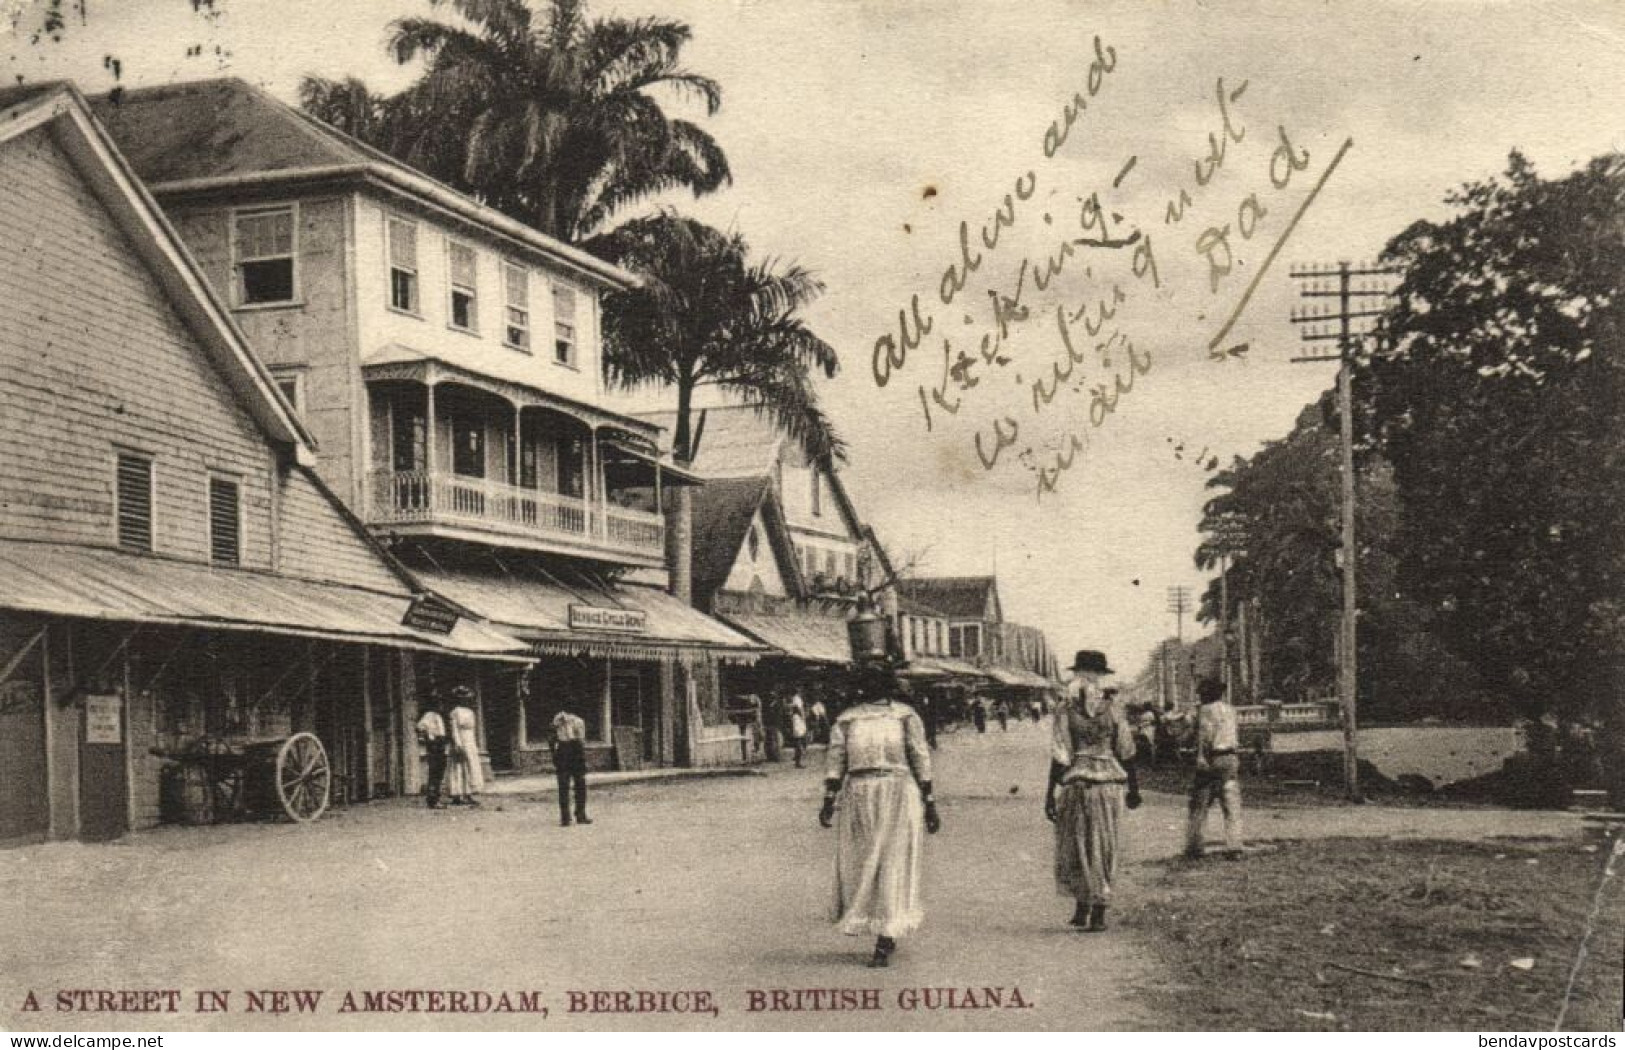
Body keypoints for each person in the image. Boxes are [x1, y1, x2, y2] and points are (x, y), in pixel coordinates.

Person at [819, 664, 941, 967]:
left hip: (899, 792)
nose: (871, 689)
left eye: (877, 683)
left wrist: (930, 801)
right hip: (859, 794)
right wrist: (828, 799)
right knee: (863, 863)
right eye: (866, 683)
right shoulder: (848, 720)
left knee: (893, 860)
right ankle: (879, 923)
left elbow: (920, 757)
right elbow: (836, 760)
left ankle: (886, 935)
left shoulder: (905, 716)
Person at [1045, 650, 1141, 931]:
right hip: (1108, 783)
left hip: (1077, 781)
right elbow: (1126, 751)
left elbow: (1060, 754)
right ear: (1100, 675)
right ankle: (1094, 908)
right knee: (1104, 845)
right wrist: (1133, 788)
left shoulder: (1065, 709)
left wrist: (1049, 792)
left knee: (1077, 843)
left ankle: (1085, 906)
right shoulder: (1112, 708)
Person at [1186, 677, 1243, 860]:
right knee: (1231, 801)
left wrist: (1200, 756)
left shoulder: (1204, 711)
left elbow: (1204, 736)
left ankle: (1195, 845)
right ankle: (1234, 845)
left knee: (1200, 802)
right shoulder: (1230, 710)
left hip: (1212, 757)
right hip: (1231, 757)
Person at [551, 704, 591, 826]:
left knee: (572, 785)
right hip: (570, 750)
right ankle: (573, 816)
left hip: (569, 750)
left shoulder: (565, 720)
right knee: (573, 785)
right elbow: (581, 740)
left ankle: (572, 816)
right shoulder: (558, 721)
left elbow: (552, 740)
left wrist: (555, 754)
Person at [444, 685, 483, 806]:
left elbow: (473, 729)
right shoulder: (455, 712)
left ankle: (469, 793)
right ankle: (457, 794)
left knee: (470, 767)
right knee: (458, 767)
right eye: (462, 698)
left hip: (469, 740)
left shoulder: (470, 712)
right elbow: (454, 730)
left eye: (466, 698)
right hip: (460, 740)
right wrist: (457, 744)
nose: (465, 700)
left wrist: (474, 744)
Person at [414, 695, 449, 810]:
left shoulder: (438, 716)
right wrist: (429, 736)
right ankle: (432, 799)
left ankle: (436, 797)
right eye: (438, 703)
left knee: (439, 771)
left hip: (440, 744)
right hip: (434, 745)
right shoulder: (429, 715)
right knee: (434, 771)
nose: (440, 706)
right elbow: (419, 727)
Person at [787, 689, 809, 768]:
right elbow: (799, 710)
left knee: (799, 739)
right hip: (798, 719)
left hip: (797, 719)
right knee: (799, 739)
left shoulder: (795, 699)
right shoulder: (797, 699)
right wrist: (803, 718)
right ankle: (798, 761)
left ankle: (797, 758)